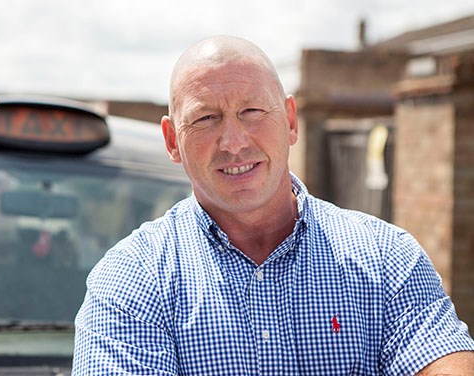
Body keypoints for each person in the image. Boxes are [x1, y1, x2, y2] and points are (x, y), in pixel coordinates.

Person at [72, 35, 474, 375]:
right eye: (205, 118)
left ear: (291, 120)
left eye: (252, 111)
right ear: (173, 141)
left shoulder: (388, 260)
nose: (234, 142)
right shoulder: (130, 282)